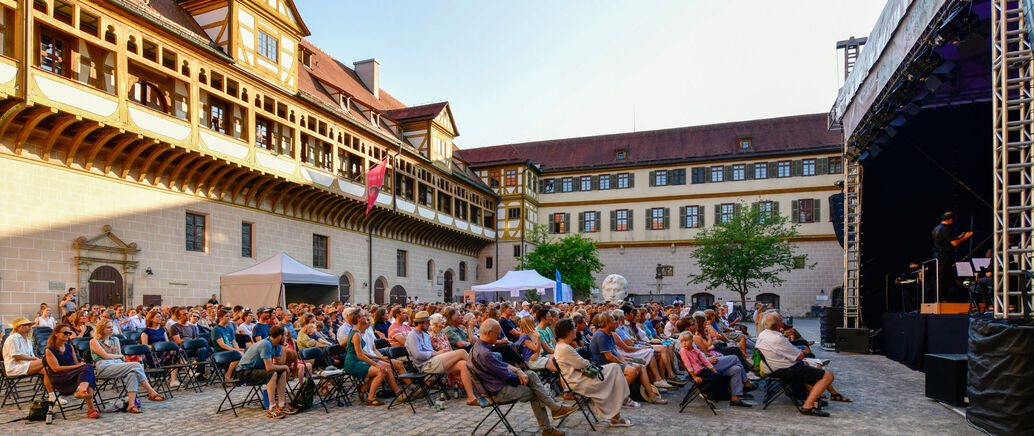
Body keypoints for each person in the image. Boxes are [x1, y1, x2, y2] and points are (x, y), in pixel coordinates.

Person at [470, 319, 576, 436]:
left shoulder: (477, 348)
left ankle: (555, 410)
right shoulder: (485, 354)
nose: (499, 336)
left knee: (531, 375)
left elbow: (501, 364)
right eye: (497, 333)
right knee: (536, 393)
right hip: (497, 392)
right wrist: (520, 375)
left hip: (491, 388)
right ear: (489, 333)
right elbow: (508, 377)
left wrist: (518, 370)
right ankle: (549, 426)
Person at [756, 312, 851, 417]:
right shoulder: (778, 338)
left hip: (772, 368)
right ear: (778, 325)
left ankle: (815, 398)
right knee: (828, 376)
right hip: (784, 370)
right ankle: (808, 405)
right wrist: (799, 352)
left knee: (808, 366)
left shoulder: (763, 334)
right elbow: (799, 357)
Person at [553, 318, 632, 427]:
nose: (576, 330)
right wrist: (587, 363)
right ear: (568, 332)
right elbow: (582, 364)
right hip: (578, 381)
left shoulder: (563, 346)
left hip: (580, 377)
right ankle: (617, 412)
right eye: (574, 328)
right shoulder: (564, 348)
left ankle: (619, 407)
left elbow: (581, 363)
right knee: (613, 372)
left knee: (615, 368)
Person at [404, 311, 479, 405]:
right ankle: (480, 374)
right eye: (427, 322)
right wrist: (435, 354)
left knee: (463, 364)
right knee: (462, 352)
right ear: (420, 323)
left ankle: (471, 397)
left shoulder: (425, 334)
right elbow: (417, 355)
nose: (429, 324)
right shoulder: (412, 335)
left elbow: (430, 350)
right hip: (425, 365)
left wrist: (439, 353)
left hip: (433, 360)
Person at [90, 318, 165, 412]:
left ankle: (131, 405)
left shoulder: (115, 339)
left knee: (132, 374)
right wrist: (119, 356)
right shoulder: (94, 341)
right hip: (104, 366)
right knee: (136, 365)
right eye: (108, 327)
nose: (112, 329)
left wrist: (119, 356)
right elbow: (105, 356)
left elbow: (119, 356)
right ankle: (151, 392)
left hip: (118, 364)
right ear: (101, 329)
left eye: (112, 327)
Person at [589, 313, 664, 405]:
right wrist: (625, 364)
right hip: (604, 366)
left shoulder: (609, 334)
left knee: (642, 366)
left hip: (611, 363)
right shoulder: (601, 335)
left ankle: (652, 395)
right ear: (607, 323)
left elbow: (616, 352)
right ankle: (620, 397)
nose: (616, 322)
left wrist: (625, 362)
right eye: (613, 320)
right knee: (632, 371)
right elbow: (609, 357)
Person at [677, 332, 752, 408]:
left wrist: (714, 370)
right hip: (701, 370)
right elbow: (688, 365)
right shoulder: (684, 350)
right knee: (734, 358)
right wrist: (694, 376)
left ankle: (735, 398)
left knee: (737, 369)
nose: (684, 343)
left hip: (708, 365)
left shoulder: (694, 349)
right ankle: (746, 383)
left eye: (686, 341)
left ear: (691, 340)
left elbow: (703, 358)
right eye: (682, 341)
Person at [237, 325, 297, 419]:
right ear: (280, 336)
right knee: (272, 373)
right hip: (244, 372)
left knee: (282, 372)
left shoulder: (277, 346)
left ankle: (281, 404)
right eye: (285, 335)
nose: (287, 338)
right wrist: (285, 367)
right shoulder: (266, 344)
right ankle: (271, 408)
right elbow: (269, 367)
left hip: (257, 370)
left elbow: (280, 363)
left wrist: (283, 350)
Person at [344, 310, 401, 405]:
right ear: (358, 319)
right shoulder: (356, 334)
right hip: (353, 363)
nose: (367, 317)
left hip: (357, 361)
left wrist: (380, 359)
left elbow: (362, 352)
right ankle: (370, 398)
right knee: (381, 370)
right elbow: (360, 355)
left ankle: (363, 388)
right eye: (363, 316)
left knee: (383, 368)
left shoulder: (356, 332)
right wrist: (376, 364)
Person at [45, 323, 99, 418]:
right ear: (56, 333)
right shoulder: (49, 350)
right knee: (88, 375)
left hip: (72, 374)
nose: (68, 335)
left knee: (88, 369)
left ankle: (83, 392)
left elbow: (76, 364)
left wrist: (80, 365)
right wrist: (76, 367)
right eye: (65, 333)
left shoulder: (69, 347)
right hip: (60, 377)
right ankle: (91, 408)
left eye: (69, 333)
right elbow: (55, 368)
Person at [3, 317, 57, 402]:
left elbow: (29, 355)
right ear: (19, 327)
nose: (30, 327)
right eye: (27, 325)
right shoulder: (13, 338)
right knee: (48, 360)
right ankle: (68, 382)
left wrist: (34, 359)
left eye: (30, 325)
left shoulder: (27, 339)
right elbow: (16, 355)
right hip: (15, 367)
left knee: (48, 370)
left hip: (27, 365)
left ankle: (52, 396)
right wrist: (34, 358)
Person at [932, 211, 973, 302]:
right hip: (944, 256)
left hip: (937, 255)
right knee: (944, 278)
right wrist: (966, 237)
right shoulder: (945, 229)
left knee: (941, 277)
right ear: (950, 219)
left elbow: (947, 240)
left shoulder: (937, 228)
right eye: (954, 220)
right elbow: (954, 243)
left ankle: (940, 298)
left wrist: (960, 236)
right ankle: (942, 299)